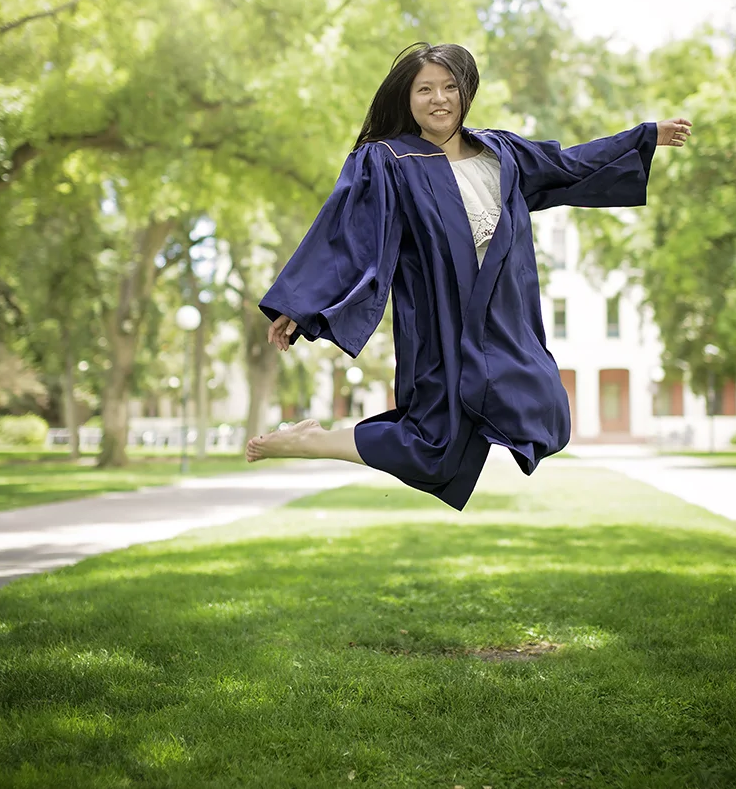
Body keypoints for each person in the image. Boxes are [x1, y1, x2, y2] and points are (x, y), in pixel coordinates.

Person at [246, 43, 692, 510]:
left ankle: (317, 439)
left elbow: (570, 164)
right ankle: (313, 441)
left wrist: (643, 137)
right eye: (424, 89)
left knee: (547, 411)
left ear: (465, 93)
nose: (438, 99)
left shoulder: (501, 152)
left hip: (503, 316)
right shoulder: (387, 160)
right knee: (436, 453)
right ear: (408, 98)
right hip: (439, 318)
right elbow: (346, 235)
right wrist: (298, 306)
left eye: (448, 87)